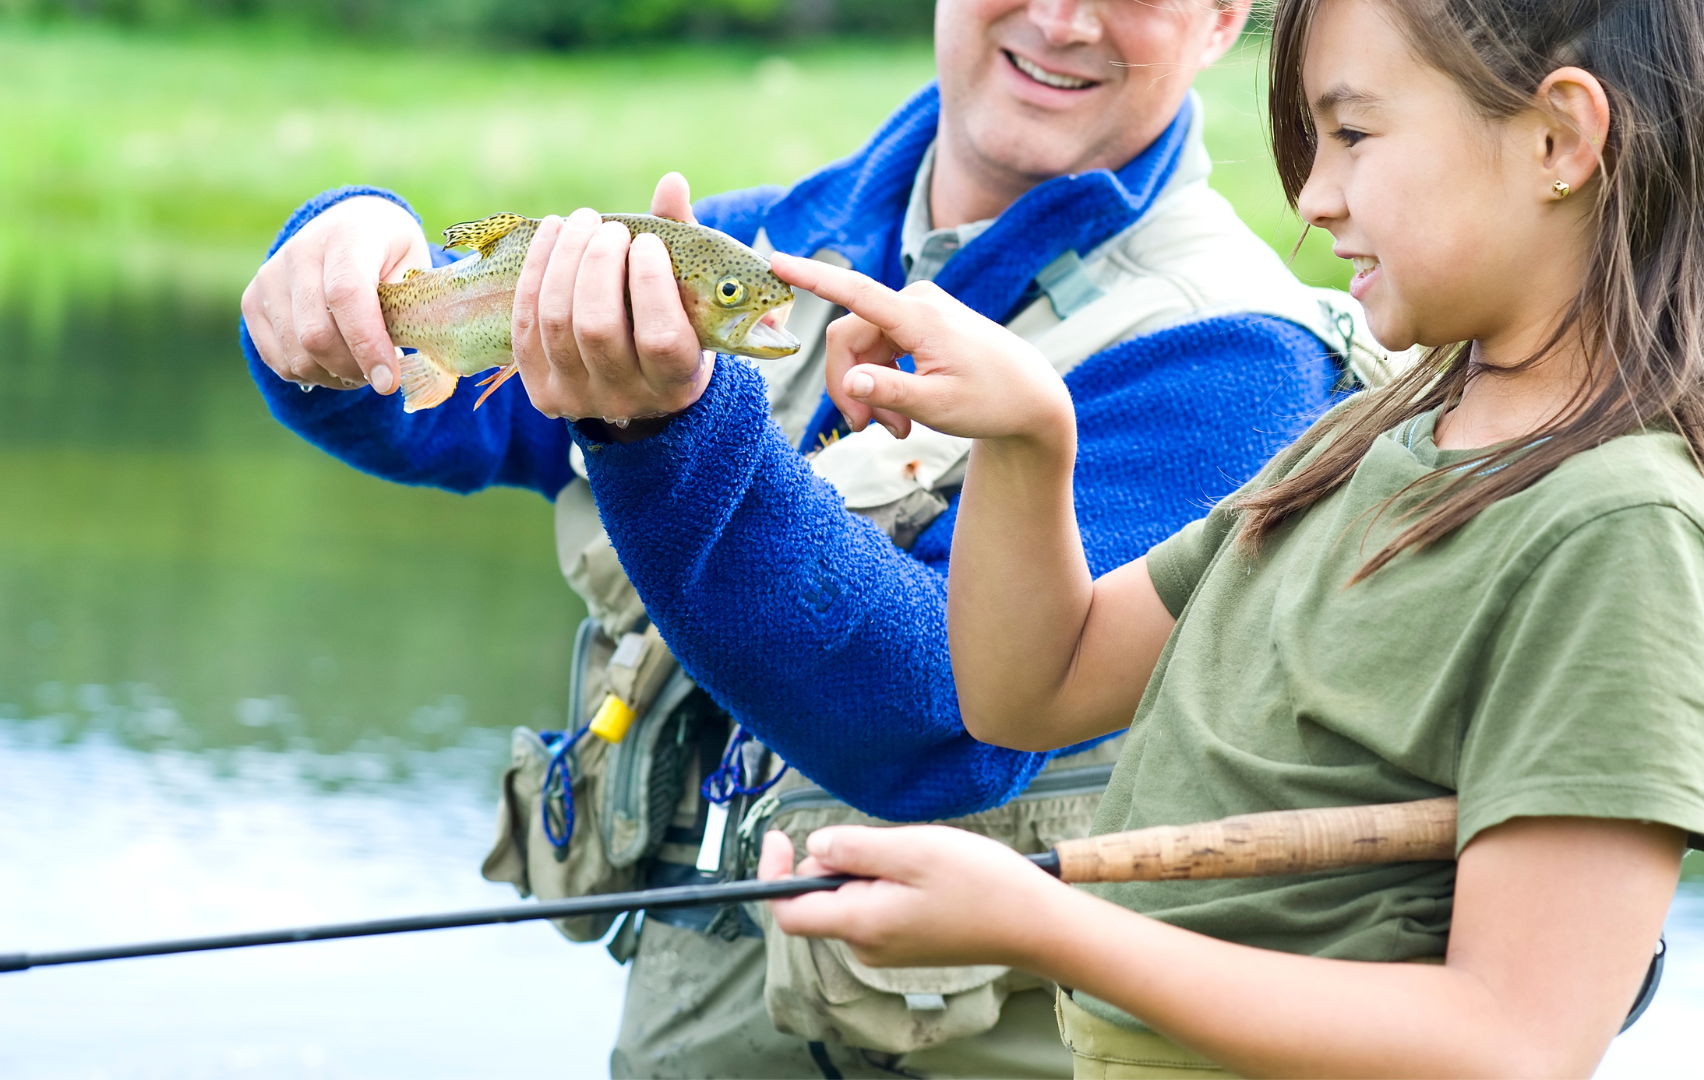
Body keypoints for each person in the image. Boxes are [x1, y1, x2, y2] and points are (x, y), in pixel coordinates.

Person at [238, 2, 1402, 1075]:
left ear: (1222, 18)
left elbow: (948, 719)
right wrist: (338, 282)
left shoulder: (1240, 358)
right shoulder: (773, 238)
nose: (1061, 17)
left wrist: (671, 425)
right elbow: (437, 420)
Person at [757, 0, 1704, 1075]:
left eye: (1352, 134)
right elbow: (1034, 688)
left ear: (1559, 141)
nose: (1313, 196)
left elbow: (1514, 1040)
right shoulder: (1370, 437)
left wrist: (1042, 924)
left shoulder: (1621, 531)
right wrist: (1028, 434)